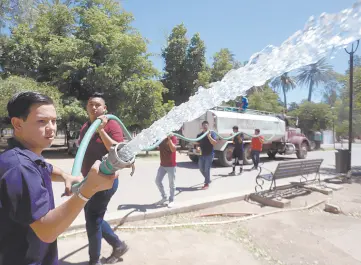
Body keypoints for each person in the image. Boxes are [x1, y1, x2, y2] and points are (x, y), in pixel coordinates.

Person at [0, 91, 118, 265]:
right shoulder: (20, 168)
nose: (51, 128)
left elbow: (46, 167)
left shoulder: (22, 155)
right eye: (42, 121)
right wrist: (87, 190)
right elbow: (47, 230)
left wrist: (65, 176)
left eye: (54, 121)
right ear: (17, 124)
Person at [79, 92, 128, 265]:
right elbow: (83, 152)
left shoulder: (112, 124)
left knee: (92, 220)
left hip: (105, 180)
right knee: (93, 217)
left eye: (97, 105)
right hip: (88, 180)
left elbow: (117, 150)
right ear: (87, 107)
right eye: (90, 104)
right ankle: (118, 245)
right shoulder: (85, 126)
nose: (93, 107)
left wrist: (101, 129)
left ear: (104, 108)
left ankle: (94, 261)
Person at [155, 134, 177, 208]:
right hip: (163, 165)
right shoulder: (161, 137)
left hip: (171, 165)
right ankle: (164, 197)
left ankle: (172, 200)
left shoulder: (173, 137)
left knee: (172, 183)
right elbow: (157, 146)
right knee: (157, 181)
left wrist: (169, 139)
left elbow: (173, 149)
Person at [195, 121, 217, 190]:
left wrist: (209, 136)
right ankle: (208, 179)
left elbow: (214, 143)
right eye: (203, 125)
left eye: (206, 125)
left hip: (209, 155)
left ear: (208, 126)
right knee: (201, 169)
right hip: (201, 155)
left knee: (207, 169)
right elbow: (197, 144)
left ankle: (206, 183)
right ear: (202, 126)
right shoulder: (199, 135)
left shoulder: (212, 133)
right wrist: (197, 147)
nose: (205, 127)